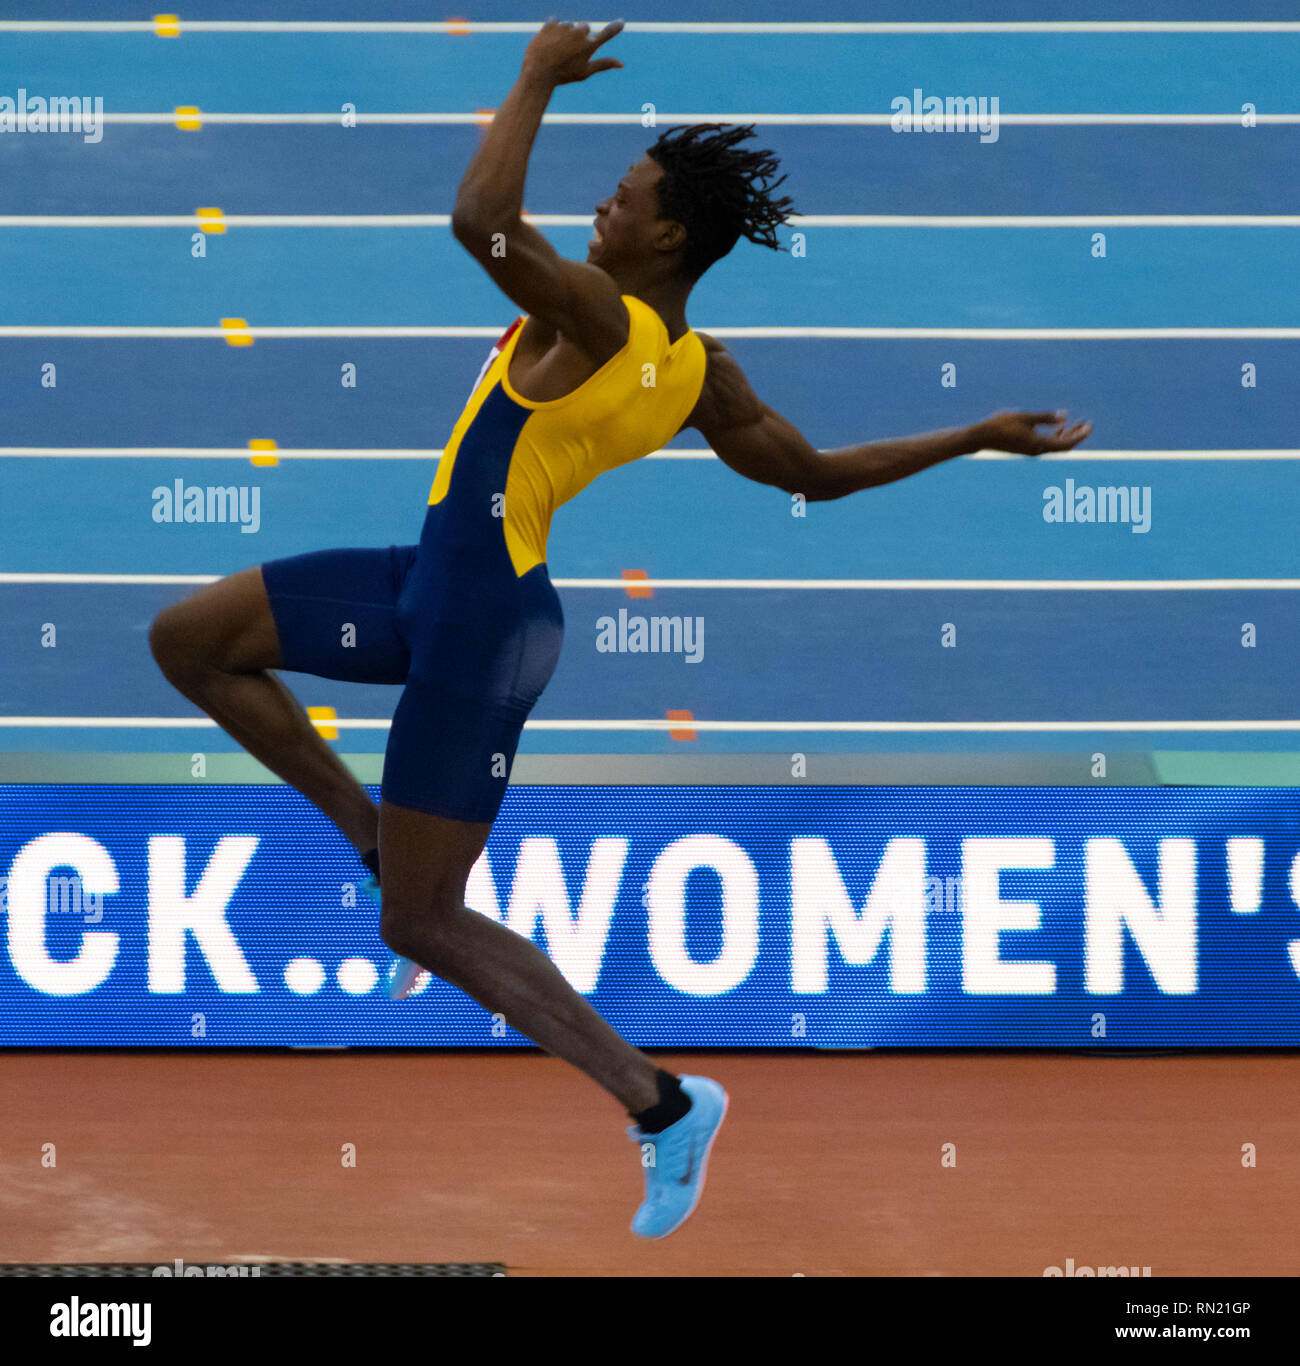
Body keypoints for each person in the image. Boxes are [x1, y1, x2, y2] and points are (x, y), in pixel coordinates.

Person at [149, 20, 1092, 1239]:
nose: (605, 201)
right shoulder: (701, 370)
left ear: (671, 237)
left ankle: (661, 1104)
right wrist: (968, 434)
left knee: (423, 928)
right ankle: (374, 834)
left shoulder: (597, 313)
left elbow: (478, 223)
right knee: (192, 639)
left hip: (481, 623)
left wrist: (536, 75)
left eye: (627, 193)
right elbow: (813, 473)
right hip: (437, 574)